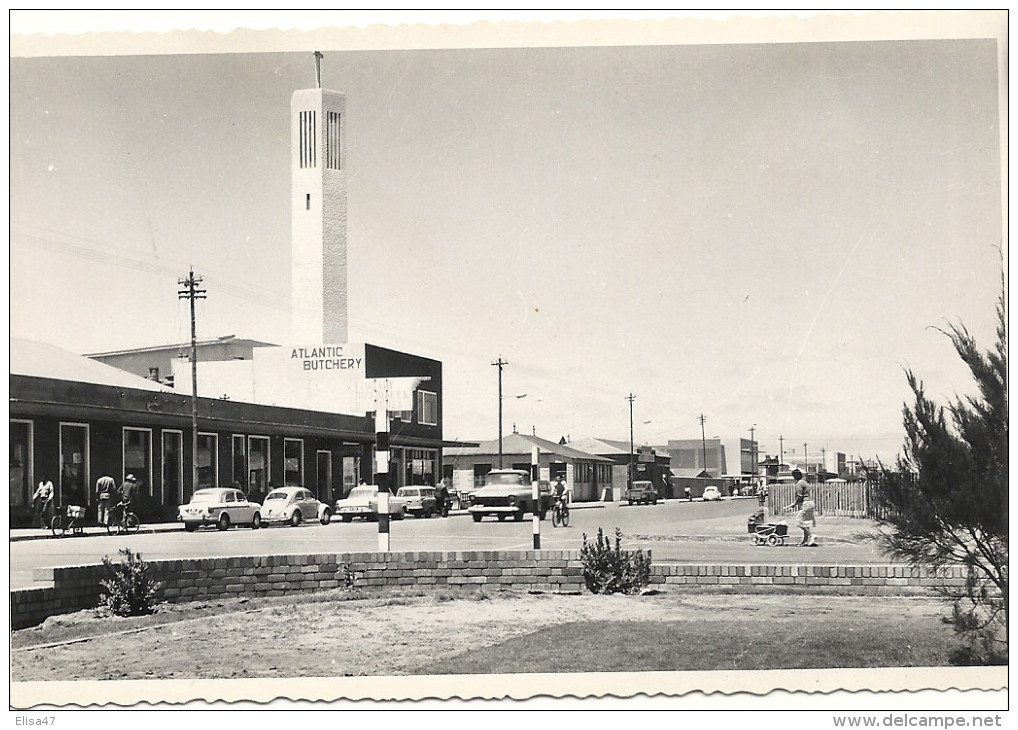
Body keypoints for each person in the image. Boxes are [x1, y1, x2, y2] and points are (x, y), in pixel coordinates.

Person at [784, 469, 817, 546]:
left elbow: (800, 496)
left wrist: (794, 504)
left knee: (799, 522)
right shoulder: (805, 482)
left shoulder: (799, 483)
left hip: (805, 504)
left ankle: (811, 535)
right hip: (810, 503)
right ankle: (805, 541)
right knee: (805, 523)